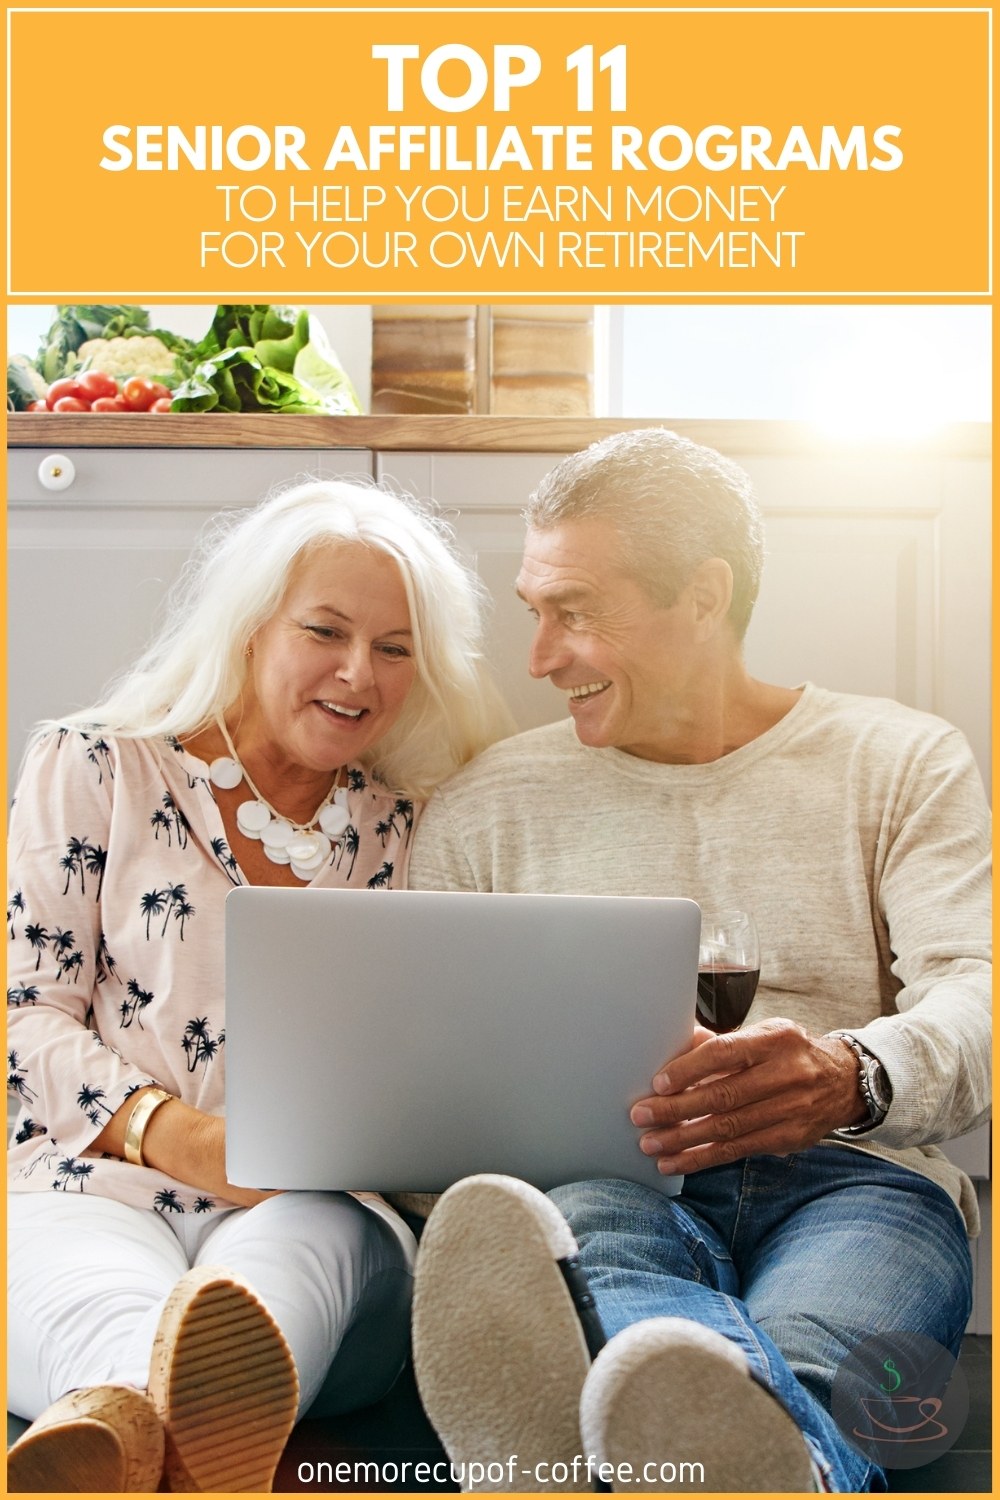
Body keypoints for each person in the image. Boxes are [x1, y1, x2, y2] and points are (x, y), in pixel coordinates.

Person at [405, 428, 992, 1492]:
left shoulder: (899, 761)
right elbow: (439, 1063)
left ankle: (581, 1458)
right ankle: (748, 1460)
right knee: (621, 1288)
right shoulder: (485, 804)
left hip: (855, 1180)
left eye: (574, 612)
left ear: (704, 594)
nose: (537, 658)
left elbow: (978, 989)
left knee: (817, 1334)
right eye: (535, 610)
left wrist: (851, 1075)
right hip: (605, 1175)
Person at [6, 475, 512, 1492]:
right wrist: (184, 1137)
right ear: (248, 628)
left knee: (267, 1283)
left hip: (314, 1203)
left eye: (395, 648)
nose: (358, 674)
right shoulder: (95, 763)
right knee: (99, 1300)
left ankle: (148, 1426)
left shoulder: (414, 820)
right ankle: (173, 1437)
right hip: (90, 1180)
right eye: (325, 632)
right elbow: (25, 1012)